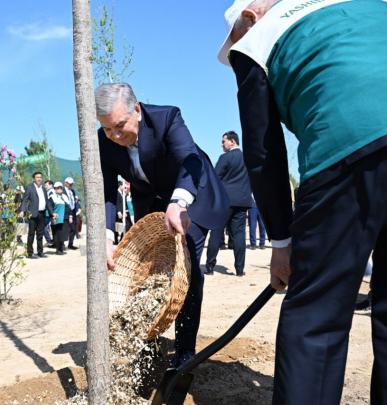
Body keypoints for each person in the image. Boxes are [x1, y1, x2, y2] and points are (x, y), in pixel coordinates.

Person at [218, 0, 387, 403]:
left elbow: (262, 152)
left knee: (317, 314)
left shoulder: (254, 41)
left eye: (234, 38)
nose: (235, 47)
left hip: (347, 145)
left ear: (250, 16)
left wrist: (281, 243)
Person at [95, 82, 229, 367]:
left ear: (137, 110)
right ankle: (147, 343)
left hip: (191, 192)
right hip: (151, 202)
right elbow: (106, 190)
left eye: (120, 126)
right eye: (107, 129)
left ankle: (184, 352)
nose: (115, 136)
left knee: (187, 264)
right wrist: (106, 237)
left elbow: (189, 159)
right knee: (147, 270)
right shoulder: (103, 141)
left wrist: (179, 201)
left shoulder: (166, 118)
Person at [205, 131, 253, 276]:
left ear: (232, 142)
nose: (221, 145)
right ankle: (239, 269)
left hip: (225, 201)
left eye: (223, 141)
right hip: (242, 201)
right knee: (239, 235)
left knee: (216, 232)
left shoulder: (225, 158)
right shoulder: (248, 158)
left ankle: (210, 266)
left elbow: (215, 178)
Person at [19, 172, 53, 259]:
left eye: (40, 177)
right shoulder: (29, 188)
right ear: (34, 179)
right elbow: (25, 200)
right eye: (37, 177)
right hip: (32, 214)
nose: (39, 179)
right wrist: (22, 210)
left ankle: (40, 252)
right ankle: (30, 253)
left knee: (40, 234)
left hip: (42, 213)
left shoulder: (43, 189)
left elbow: (47, 202)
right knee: (31, 234)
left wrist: (52, 213)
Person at [47, 182, 72, 255]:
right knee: (57, 234)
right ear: (55, 189)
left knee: (63, 234)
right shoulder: (52, 197)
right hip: (57, 218)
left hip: (65, 218)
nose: (60, 189)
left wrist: (70, 216)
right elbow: (50, 207)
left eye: (61, 187)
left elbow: (69, 207)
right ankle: (58, 249)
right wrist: (53, 216)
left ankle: (61, 248)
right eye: (58, 188)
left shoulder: (65, 196)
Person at [63, 177, 79, 250]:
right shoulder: (62, 191)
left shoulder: (72, 191)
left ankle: (70, 243)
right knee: (64, 228)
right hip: (65, 211)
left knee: (73, 229)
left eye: (71, 183)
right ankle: (62, 244)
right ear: (65, 183)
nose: (70, 185)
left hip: (72, 211)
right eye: (69, 183)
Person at [43, 180, 55, 247]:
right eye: (45, 185)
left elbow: (51, 202)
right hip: (49, 212)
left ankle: (49, 240)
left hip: (48, 212)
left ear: (51, 185)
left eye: (46, 185)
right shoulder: (49, 191)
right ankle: (52, 240)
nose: (45, 186)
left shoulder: (51, 192)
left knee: (42, 225)